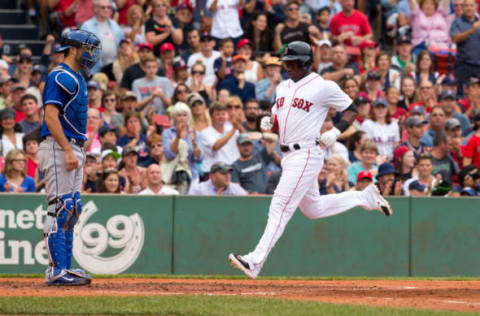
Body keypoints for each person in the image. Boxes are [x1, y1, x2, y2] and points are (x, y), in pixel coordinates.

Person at [228, 41, 392, 279]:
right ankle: (363, 196)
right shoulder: (283, 86)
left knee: (280, 206)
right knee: (312, 209)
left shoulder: (322, 86)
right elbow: (279, 114)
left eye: (292, 62)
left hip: (307, 152)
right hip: (289, 154)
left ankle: (255, 261)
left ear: (305, 62)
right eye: (286, 62)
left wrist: (336, 132)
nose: (287, 67)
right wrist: (269, 120)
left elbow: (351, 109)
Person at [38, 29, 101, 286]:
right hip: (57, 145)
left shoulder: (78, 76)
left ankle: (65, 267)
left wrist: (75, 149)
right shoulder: (59, 75)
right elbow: (51, 116)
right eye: (87, 48)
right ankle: (56, 271)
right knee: (60, 208)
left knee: (73, 208)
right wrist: (65, 148)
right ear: (73, 49)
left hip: (74, 145)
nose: (91, 54)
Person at [81, 0, 125, 78]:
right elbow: (82, 48)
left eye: (109, 7)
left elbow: (122, 44)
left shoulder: (114, 25)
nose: (106, 9)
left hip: (114, 68)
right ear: (95, 9)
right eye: (103, 7)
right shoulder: (87, 26)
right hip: (95, 69)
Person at [450, 0, 480, 96]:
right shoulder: (457, 22)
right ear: (462, 8)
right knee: (461, 94)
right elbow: (455, 38)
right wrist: (471, 30)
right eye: (466, 6)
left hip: (478, 64)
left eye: (471, 6)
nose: (469, 8)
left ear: (476, 8)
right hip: (463, 64)